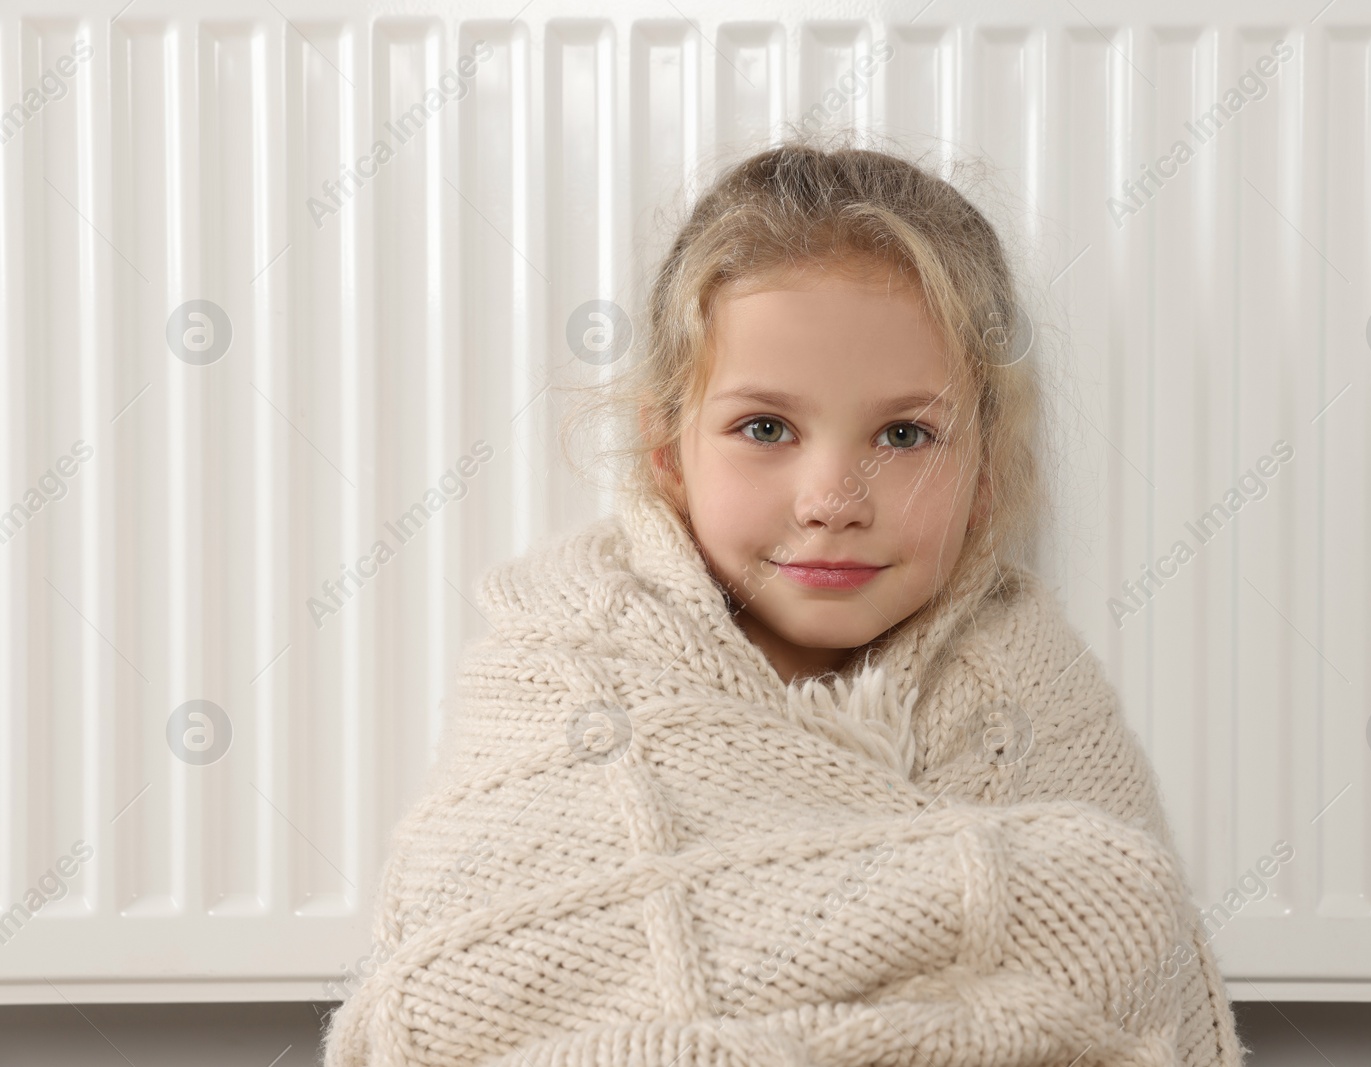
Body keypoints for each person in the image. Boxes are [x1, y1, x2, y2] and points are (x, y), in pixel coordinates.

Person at [321, 137, 1246, 1067]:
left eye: (904, 433)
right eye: (765, 427)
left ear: (986, 469)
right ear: (667, 450)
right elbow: (449, 993)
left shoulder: (1029, 687)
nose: (832, 499)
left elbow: (1129, 958)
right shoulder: (563, 668)